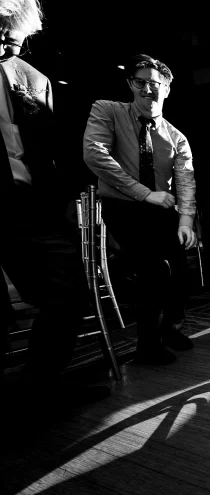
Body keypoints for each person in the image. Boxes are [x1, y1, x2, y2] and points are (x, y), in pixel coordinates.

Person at [1, 0, 107, 408]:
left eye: (16, 30)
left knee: (69, 291)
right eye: (2, 25)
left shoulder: (33, 79)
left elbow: (52, 152)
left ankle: (37, 390)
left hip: (30, 208)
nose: (10, 37)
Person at [83, 54, 197, 365]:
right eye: (140, 83)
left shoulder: (177, 137)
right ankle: (147, 345)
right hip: (124, 206)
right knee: (152, 269)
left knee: (180, 271)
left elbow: (185, 182)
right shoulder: (107, 110)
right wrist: (144, 194)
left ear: (167, 89)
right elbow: (95, 155)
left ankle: (170, 329)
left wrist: (185, 220)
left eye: (155, 84)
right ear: (130, 85)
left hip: (162, 209)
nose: (148, 89)